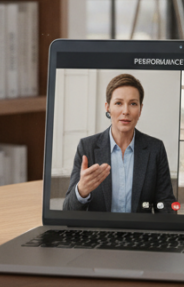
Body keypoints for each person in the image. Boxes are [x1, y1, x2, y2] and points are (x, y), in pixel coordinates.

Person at [62, 73, 175, 213]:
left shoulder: (155, 148)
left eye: (133, 104)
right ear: (107, 107)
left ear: (140, 110)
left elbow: (166, 204)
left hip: (140, 232)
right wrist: (81, 191)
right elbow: (67, 210)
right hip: (100, 232)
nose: (126, 111)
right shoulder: (87, 147)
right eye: (118, 103)